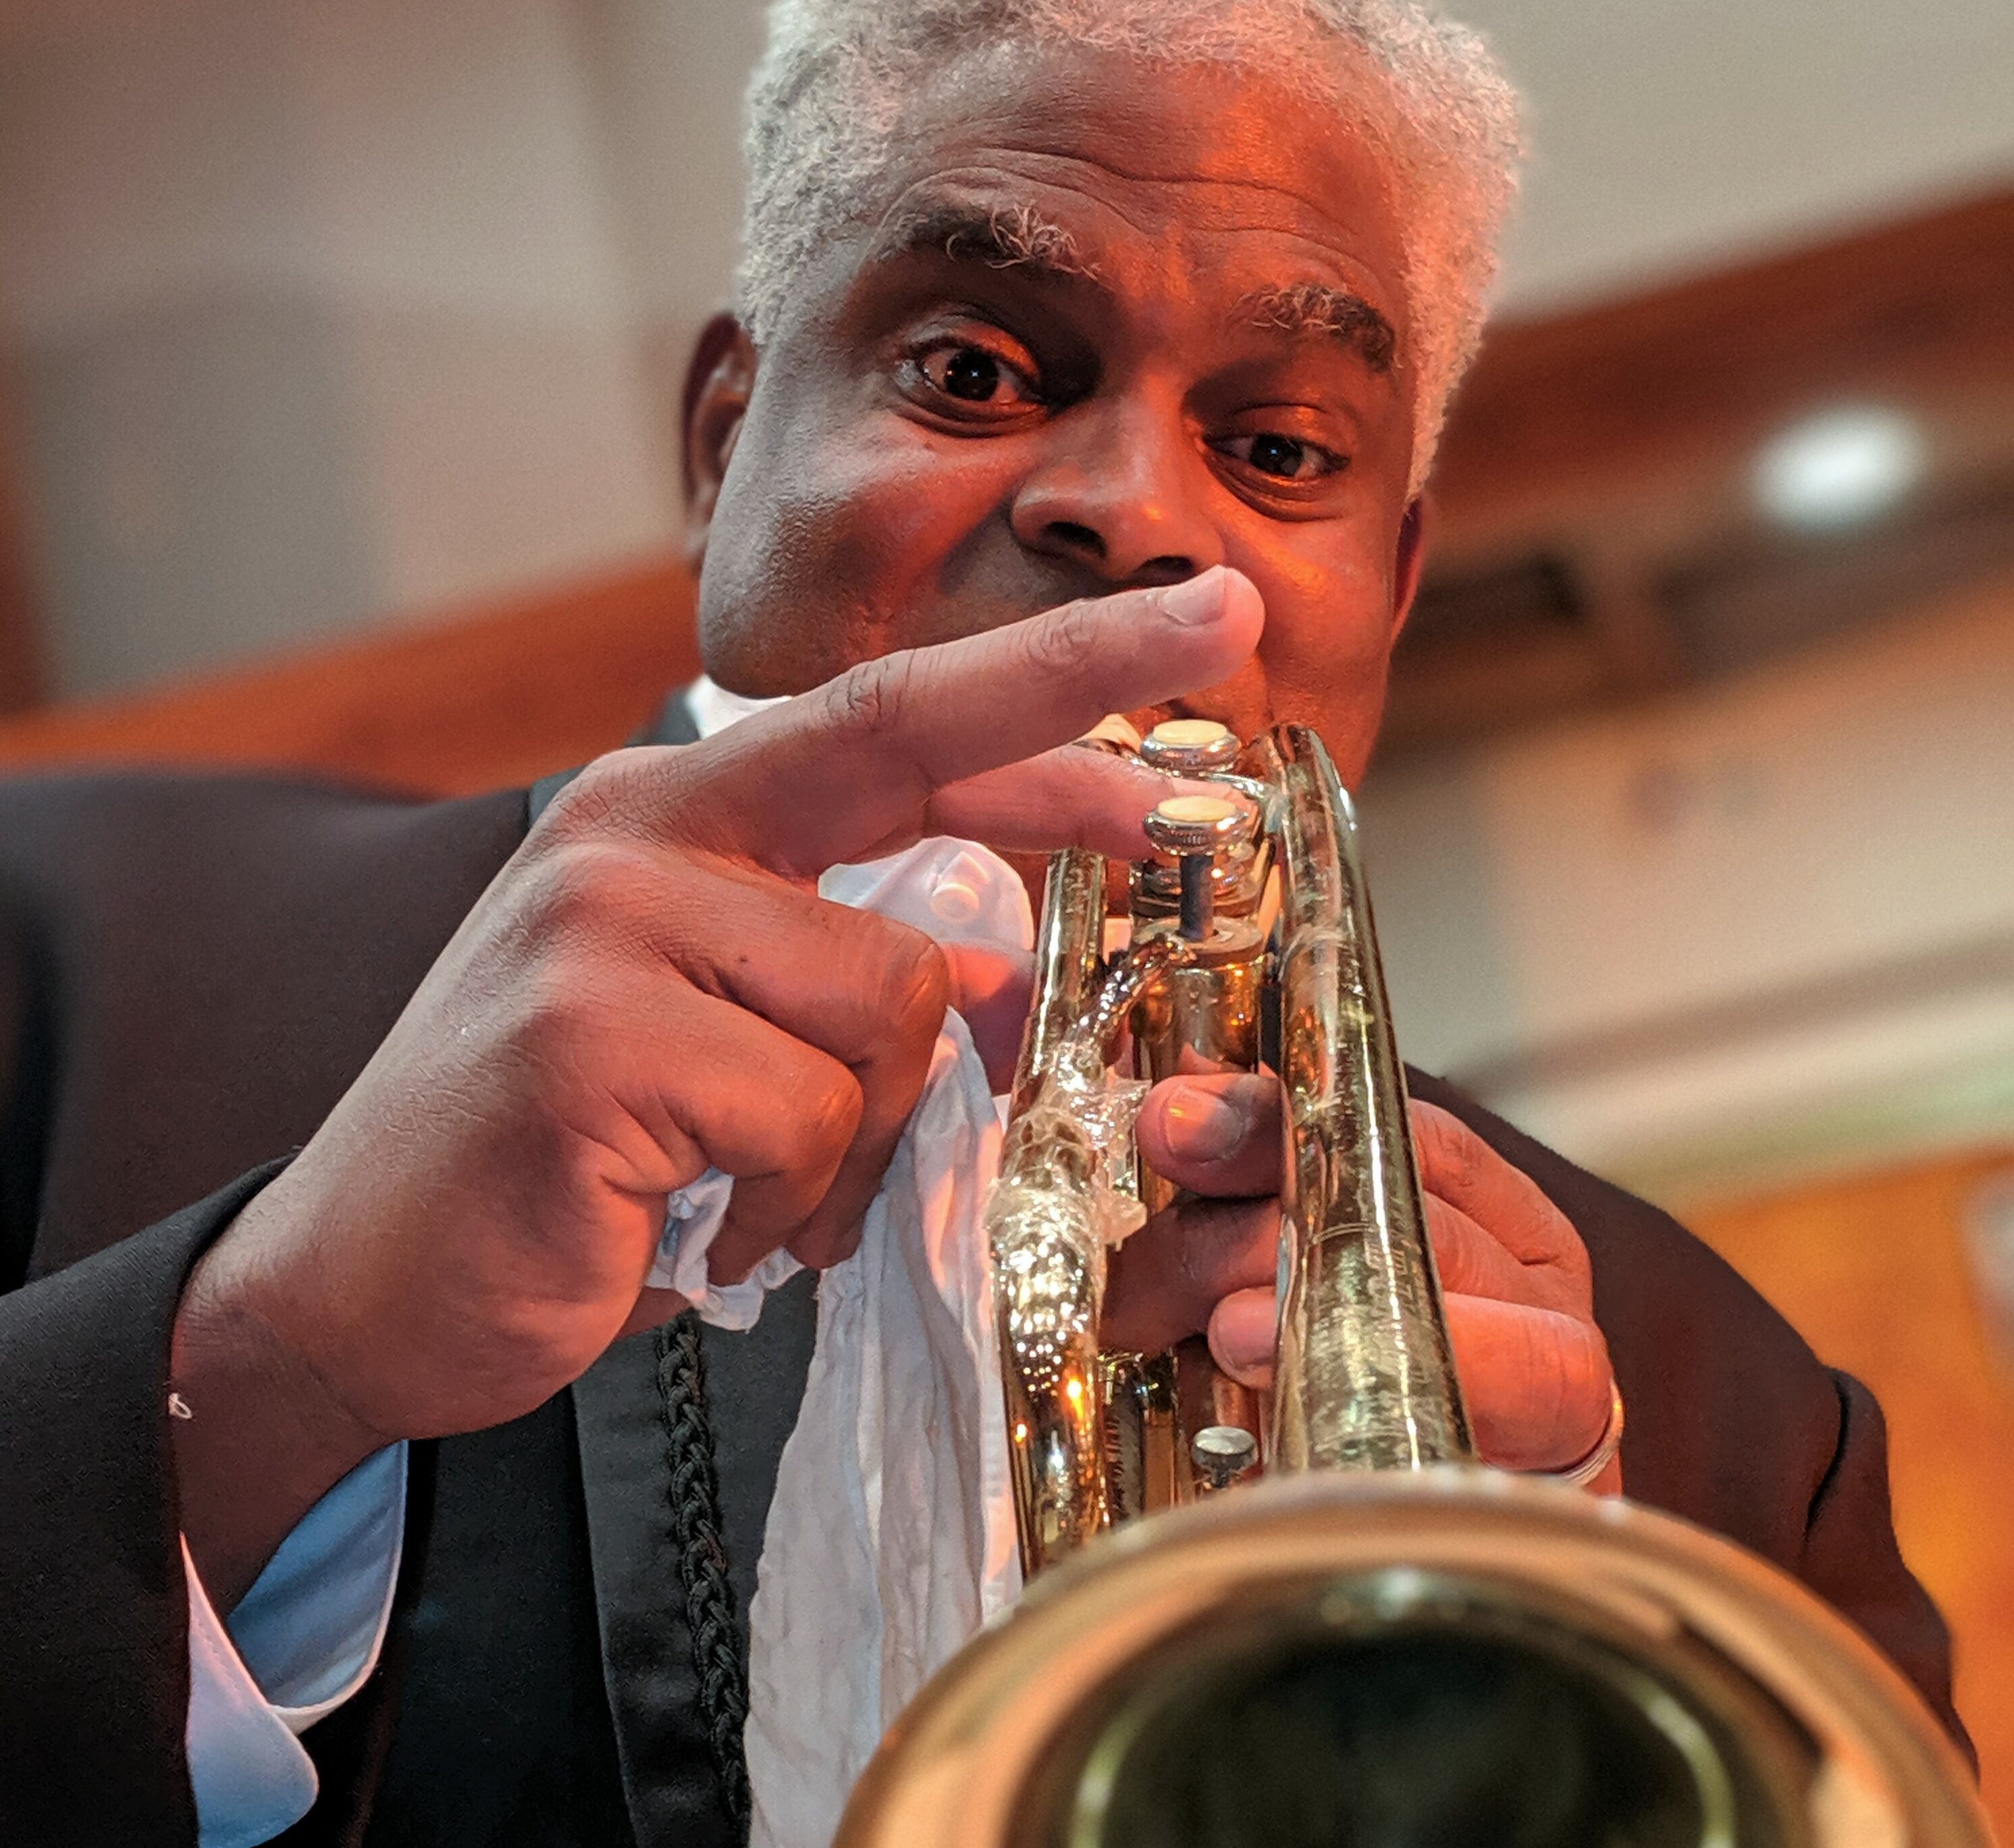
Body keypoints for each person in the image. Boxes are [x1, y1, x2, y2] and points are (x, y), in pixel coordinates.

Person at [0, 1, 1969, 1843]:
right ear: (724, 441)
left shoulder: (1728, 1415)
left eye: (1282, 451)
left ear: (1391, 582)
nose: (1143, 512)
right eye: (974, 369)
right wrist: (263, 1367)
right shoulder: (69, 953)